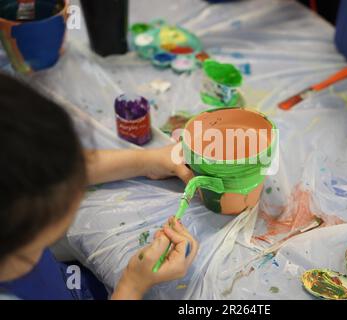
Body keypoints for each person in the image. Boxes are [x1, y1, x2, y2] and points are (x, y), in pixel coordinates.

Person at [0, 72, 198, 300]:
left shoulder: (16, 216)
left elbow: (50, 168)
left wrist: (151, 161)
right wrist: (132, 286)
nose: (76, 184)